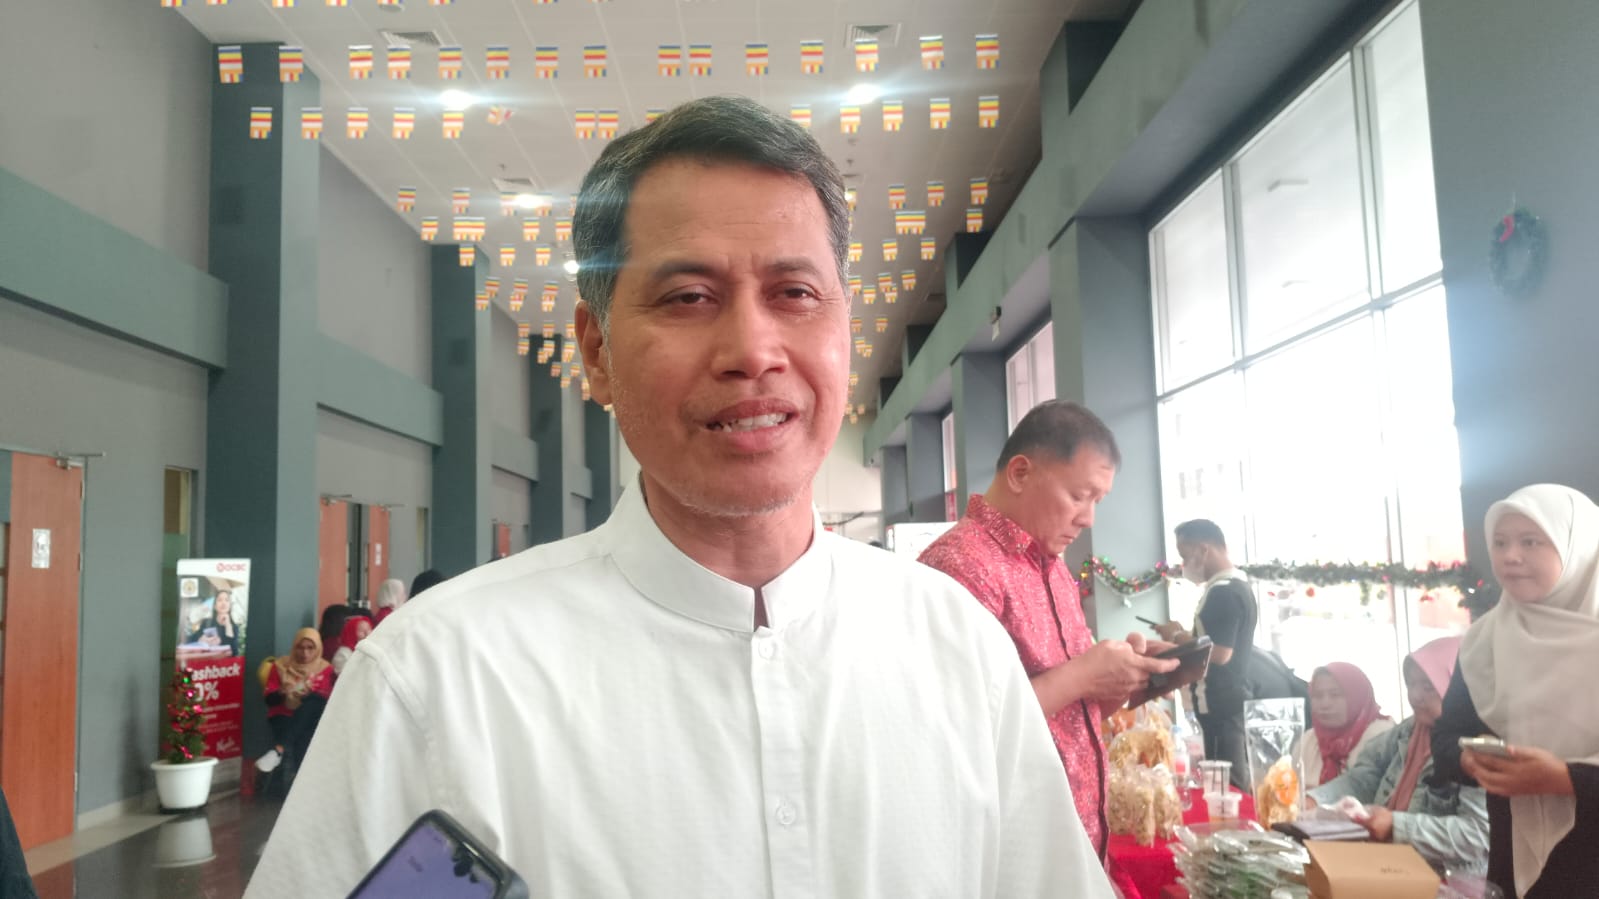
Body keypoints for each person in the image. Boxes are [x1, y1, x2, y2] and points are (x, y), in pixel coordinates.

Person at [246, 96, 1113, 898]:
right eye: (688, 297)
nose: (752, 349)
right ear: (596, 351)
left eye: (795, 293)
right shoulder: (437, 679)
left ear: (844, 329)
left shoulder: (955, 645)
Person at [918, 400, 1179, 859]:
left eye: (1097, 501)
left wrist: (1121, 677)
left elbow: (1069, 711)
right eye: (1079, 496)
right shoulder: (959, 564)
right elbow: (954, 723)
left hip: (1075, 839)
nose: (1088, 518)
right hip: (1013, 850)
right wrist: (1084, 674)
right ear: (1020, 474)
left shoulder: (1052, 566)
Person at [1432, 484, 1599, 897]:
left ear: (1577, 548)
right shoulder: (1484, 640)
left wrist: (1565, 779)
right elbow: (1446, 737)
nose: (1510, 556)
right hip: (1514, 860)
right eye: (1500, 542)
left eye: (1531, 541)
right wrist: (1473, 761)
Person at [1307, 637, 1488, 873]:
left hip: (1447, 881)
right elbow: (1365, 777)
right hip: (1389, 867)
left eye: (1428, 686)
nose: (1415, 696)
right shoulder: (1410, 730)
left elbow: (1477, 836)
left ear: (1456, 688)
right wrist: (1315, 800)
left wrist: (1396, 825)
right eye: (1411, 684)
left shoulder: (1477, 746)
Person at [1156, 519, 1259, 790]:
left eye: (1185, 556)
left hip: (1220, 702)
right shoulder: (1237, 585)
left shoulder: (1223, 592)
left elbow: (1221, 652)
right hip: (1226, 701)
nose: (1184, 564)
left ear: (1204, 550)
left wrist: (1176, 636)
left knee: (1226, 784)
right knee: (1225, 780)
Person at [1296, 662, 1394, 790]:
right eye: (1318, 696)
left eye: (1335, 695)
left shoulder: (1383, 737)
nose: (1325, 704)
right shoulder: (1307, 741)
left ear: (1357, 696)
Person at [255, 628, 334, 775]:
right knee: (304, 734)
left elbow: (327, 700)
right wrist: (281, 691)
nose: (305, 653)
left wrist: (307, 693)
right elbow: (269, 700)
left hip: (313, 716)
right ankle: (300, 782)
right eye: (300, 648)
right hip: (284, 715)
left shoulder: (326, 669)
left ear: (318, 648)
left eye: (310, 648)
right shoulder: (281, 666)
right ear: (294, 647)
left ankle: (278, 750)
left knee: (314, 702)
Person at [183, 589, 241, 657]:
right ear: (215, 606)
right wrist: (200, 640)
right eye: (220, 600)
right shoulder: (207, 622)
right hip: (207, 660)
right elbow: (191, 639)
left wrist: (228, 625)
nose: (223, 603)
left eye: (227, 600)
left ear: (230, 606)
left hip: (224, 662)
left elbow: (234, 653)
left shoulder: (234, 627)